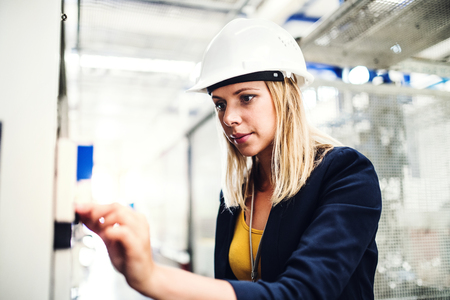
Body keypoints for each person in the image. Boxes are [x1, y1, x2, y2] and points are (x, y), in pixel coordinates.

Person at [75, 18, 382, 299]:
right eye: (220, 104)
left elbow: (303, 292)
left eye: (246, 97)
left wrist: (153, 277)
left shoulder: (346, 174)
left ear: (284, 96)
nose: (229, 118)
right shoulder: (237, 193)